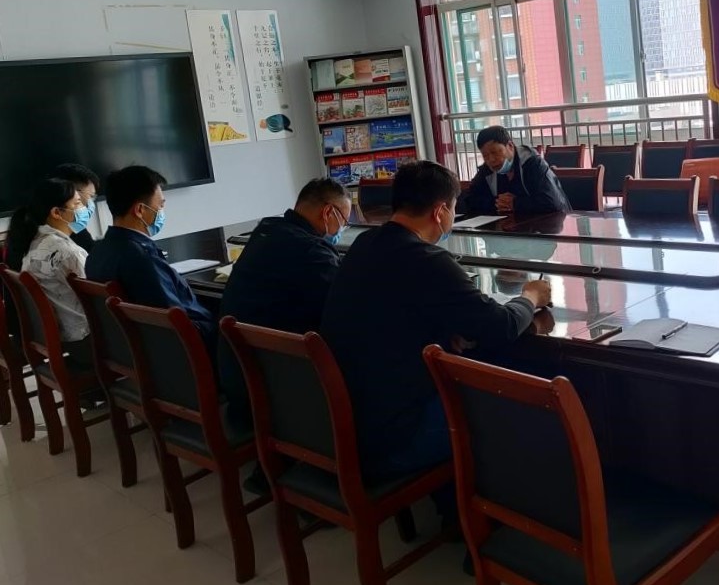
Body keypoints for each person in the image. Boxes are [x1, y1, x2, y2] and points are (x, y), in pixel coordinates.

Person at [321, 160, 552, 486]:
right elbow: (500, 327)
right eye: (454, 208)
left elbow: (394, 312)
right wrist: (530, 297)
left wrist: (444, 331)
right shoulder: (427, 260)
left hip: (347, 425)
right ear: (441, 211)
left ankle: (451, 501)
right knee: (515, 406)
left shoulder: (365, 244)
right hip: (395, 438)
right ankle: (490, 506)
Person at [218, 177, 350, 426]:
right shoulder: (313, 252)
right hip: (281, 395)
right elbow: (345, 308)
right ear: (327, 213)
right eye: (343, 221)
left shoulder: (267, 231)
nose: (341, 230)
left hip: (240, 381)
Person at [85, 165, 216, 351]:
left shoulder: (98, 251)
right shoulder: (142, 259)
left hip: (135, 351)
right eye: (160, 205)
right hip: (183, 352)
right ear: (140, 210)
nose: (162, 211)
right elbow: (175, 322)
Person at [4, 178, 95, 368]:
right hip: (87, 343)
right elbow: (97, 297)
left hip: (66, 338)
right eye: (77, 203)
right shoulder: (66, 251)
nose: (84, 209)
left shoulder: (35, 242)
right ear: (56, 212)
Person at [460, 125, 570, 215]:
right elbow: (470, 201)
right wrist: (497, 203)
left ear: (510, 146)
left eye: (495, 152)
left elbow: (552, 203)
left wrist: (515, 203)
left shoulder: (533, 163)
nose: (491, 160)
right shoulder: (487, 169)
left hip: (548, 226)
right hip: (510, 227)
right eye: (485, 155)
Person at [52, 163, 101, 255]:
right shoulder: (48, 242)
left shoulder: (75, 227)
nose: (91, 204)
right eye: (90, 196)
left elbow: (91, 249)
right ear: (70, 193)